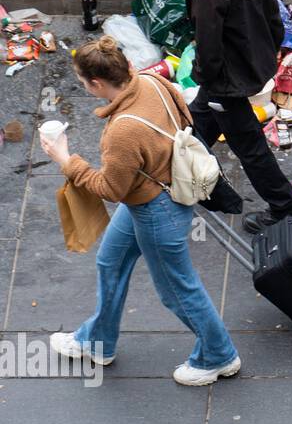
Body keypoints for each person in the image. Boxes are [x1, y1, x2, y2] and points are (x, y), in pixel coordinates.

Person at [40, 36, 241, 386]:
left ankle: (218, 355)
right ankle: (97, 341)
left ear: (97, 84)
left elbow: (110, 189)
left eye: (83, 82)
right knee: (110, 261)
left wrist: (65, 159)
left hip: (155, 210)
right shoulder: (153, 80)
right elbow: (185, 116)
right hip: (156, 193)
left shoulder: (123, 130)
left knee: (177, 289)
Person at [181, 0, 292, 235]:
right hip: (255, 59)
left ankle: (286, 209)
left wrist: (205, 75)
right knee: (194, 126)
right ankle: (178, 181)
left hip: (226, 77)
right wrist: (275, 43)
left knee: (248, 146)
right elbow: (270, 4)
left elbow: (208, 41)